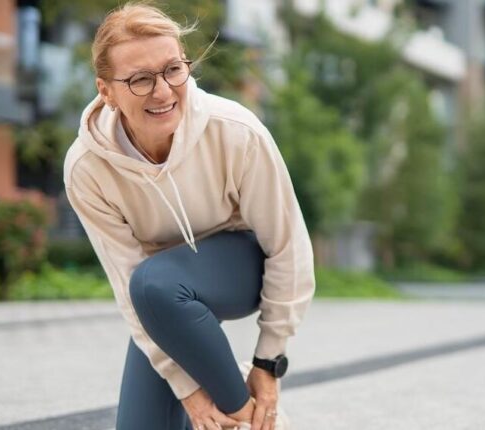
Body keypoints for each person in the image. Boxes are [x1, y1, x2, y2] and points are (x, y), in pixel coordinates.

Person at [62, 3, 315, 430]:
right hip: (159, 297)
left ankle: (243, 412)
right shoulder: (87, 169)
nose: (163, 92)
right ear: (105, 91)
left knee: (156, 283)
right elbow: (128, 288)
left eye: (173, 70)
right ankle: (248, 417)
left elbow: (288, 246)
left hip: (241, 267)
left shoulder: (236, 131)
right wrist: (191, 393)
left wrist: (268, 364)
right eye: (140, 79)